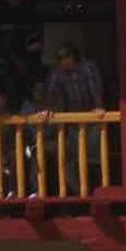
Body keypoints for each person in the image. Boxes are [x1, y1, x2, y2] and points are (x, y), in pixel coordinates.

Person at [46, 44, 106, 196]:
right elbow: (53, 94)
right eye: (60, 59)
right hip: (71, 123)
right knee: (71, 160)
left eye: (65, 58)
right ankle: (79, 194)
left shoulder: (87, 68)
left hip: (91, 119)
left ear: (72, 57)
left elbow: (95, 88)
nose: (63, 62)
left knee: (94, 158)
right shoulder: (58, 73)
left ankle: (98, 191)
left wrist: (98, 106)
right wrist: (53, 110)